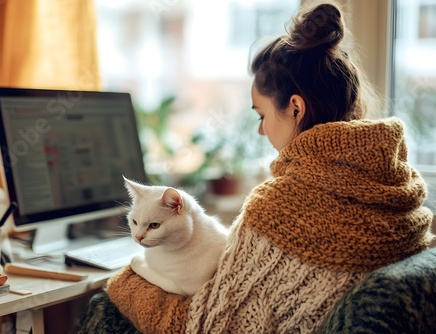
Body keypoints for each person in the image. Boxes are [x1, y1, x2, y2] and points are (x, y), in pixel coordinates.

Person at [73, 2, 434, 333]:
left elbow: (202, 326)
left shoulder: (281, 207)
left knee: (105, 305)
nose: (261, 129)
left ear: (295, 107)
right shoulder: (401, 197)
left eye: (262, 114)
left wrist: (125, 281)